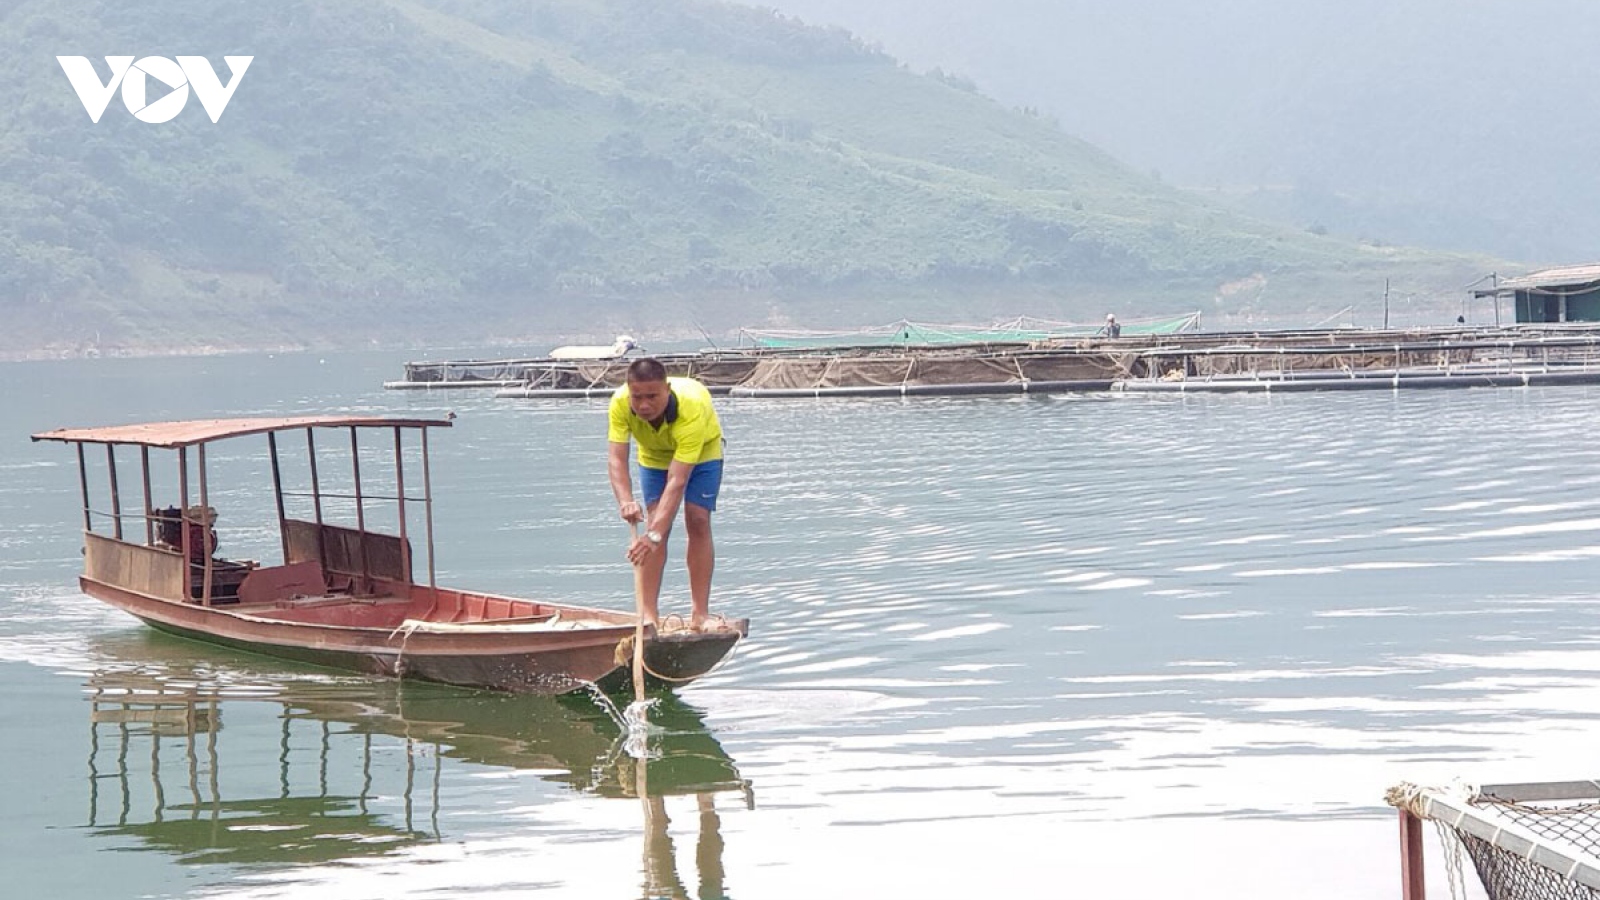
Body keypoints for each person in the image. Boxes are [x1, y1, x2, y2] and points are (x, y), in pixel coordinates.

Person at [607, 357, 724, 631]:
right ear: (629, 392)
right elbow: (616, 458)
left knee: (697, 519)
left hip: (703, 453)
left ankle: (700, 615)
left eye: (652, 396)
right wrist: (625, 500)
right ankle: (648, 615)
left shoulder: (691, 406)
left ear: (667, 389)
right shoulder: (619, 403)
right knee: (653, 522)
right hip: (653, 456)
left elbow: (678, 479)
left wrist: (655, 535)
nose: (644, 405)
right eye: (638, 397)